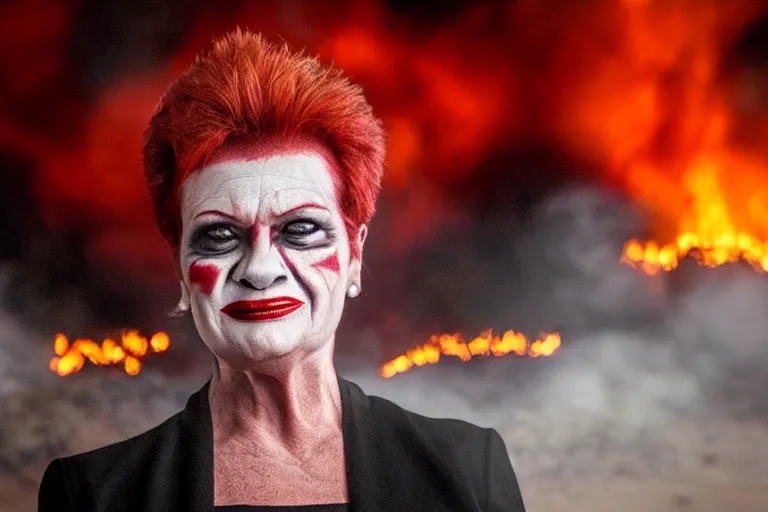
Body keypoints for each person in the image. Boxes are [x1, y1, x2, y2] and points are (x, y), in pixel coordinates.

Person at [37, 29, 526, 512]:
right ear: (182, 271)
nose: (261, 269)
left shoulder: (469, 475)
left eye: (301, 229)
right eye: (220, 235)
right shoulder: (91, 495)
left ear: (354, 256)